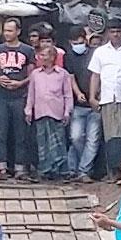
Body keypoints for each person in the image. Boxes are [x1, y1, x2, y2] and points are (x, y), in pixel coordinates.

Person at [88, 19, 121, 180]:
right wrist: (92, 96)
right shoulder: (100, 52)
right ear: (107, 33)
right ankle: (114, 171)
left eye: (118, 31)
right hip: (108, 98)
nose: (115, 34)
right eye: (112, 31)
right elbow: (95, 75)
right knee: (111, 135)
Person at [0, 17, 35, 180]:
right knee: (1, 131)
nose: (7, 34)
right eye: (5, 30)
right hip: (1, 95)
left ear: (18, 32)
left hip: (19, 96)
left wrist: (20, 83)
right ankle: (1, 167)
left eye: (10, 30)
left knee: (20, 133)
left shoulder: (27, 50)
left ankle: (20, 167)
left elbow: (32, 74)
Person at [25, 46, 74, 181]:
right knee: (42, 143)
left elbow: (67, 94)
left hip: (56, 113)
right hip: (40, 113)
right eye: (41, 55)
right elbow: (31, 94)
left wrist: (67, 112)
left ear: (53, 57)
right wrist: (28, 110)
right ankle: (44, 171)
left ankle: (60, 171)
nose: (42, 58)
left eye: (45, 55)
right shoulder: (35, 74)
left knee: (58, 142)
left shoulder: (62, 74)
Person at [64, 25, 100, 179]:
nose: (76, 46)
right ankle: (77, 168)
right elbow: (70, 77)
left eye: (79, 42)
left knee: (92, 139)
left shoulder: (95, 54)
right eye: (74, 43)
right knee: (76, 137)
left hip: (96, 104)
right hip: (78, 105)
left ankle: (83, 170)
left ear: (85, 39)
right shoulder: (69, 56)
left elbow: (98, 75)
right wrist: (78, 93)